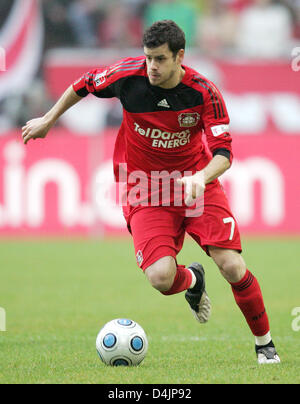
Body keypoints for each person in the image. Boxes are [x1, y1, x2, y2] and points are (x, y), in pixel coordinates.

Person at [22, 20, 280, 364]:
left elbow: (224, 154)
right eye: (148, 58)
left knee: (232, 265)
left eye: (160, 59)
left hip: (196, 184)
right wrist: (49, 119)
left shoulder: (204, 92)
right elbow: (82, 84)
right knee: (160, 277)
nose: (152, 67)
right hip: (145, 189)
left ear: (179, 57)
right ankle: (191, 281)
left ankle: (265, 345)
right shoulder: (128, 76)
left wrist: (200, 179)